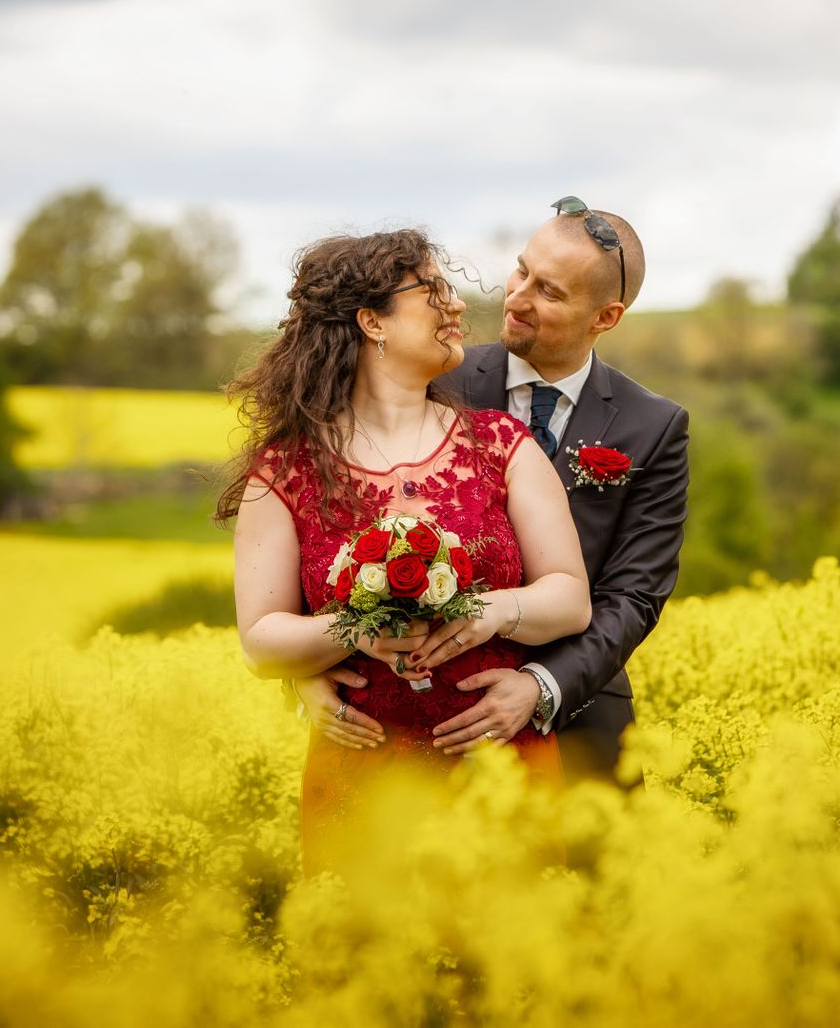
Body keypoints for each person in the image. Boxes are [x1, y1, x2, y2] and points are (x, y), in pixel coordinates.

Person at [219, 229, 592, 874]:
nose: (456, 308)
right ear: (372, 322)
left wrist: (492, 612)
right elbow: (261, 640)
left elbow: (570, 596)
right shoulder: (286, 471)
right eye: (433, 291)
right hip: (364, 777)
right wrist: (356, 630)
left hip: (500, 766)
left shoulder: (501, 444)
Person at [295, 197, 690, 784]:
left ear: (604, 318)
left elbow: (633, 596)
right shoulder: (432, 373)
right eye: (521, 270)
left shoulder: (652, 426)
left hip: (577, 720)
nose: (516, 297)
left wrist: (539, 686)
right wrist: (305, 667)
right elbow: (333, 519)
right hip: (406, 724)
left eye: (549, 292)